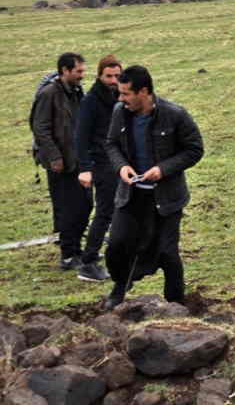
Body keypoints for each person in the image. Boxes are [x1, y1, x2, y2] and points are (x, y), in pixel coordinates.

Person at [103, 65, 204, 310]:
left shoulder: (175, 114)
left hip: (166, 198)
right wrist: (121, 167)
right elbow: (111, 144)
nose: (121, 99)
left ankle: (176, 302)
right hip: (131, 195)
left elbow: (194, 150)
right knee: (117, 244)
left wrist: (163, 169)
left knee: (168, 252)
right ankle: (120, 286)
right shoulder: (120, 112)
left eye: (126, 93)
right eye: (120, 93)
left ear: (144, 91)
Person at [31, 52, 92, 270]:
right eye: (78, 71)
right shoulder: (49, 94)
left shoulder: (76, 92)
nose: (82, 76)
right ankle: (68, 254)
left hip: (79, 161)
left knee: (85, 205)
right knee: (68, 209)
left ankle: (77, 249)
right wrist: (55, 157)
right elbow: (40, 128)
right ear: (65, 71)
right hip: (61, 164)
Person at [74, 55, 122, 282]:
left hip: (118, 162)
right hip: (101, 164)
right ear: (100, 76)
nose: (114, 80)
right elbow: (80, 137)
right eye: (109, 76)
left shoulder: (118, 96)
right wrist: (85, 168)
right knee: (105, 212)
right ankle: (88, 262)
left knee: (119, 209)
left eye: (117, 76)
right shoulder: (91, 101)